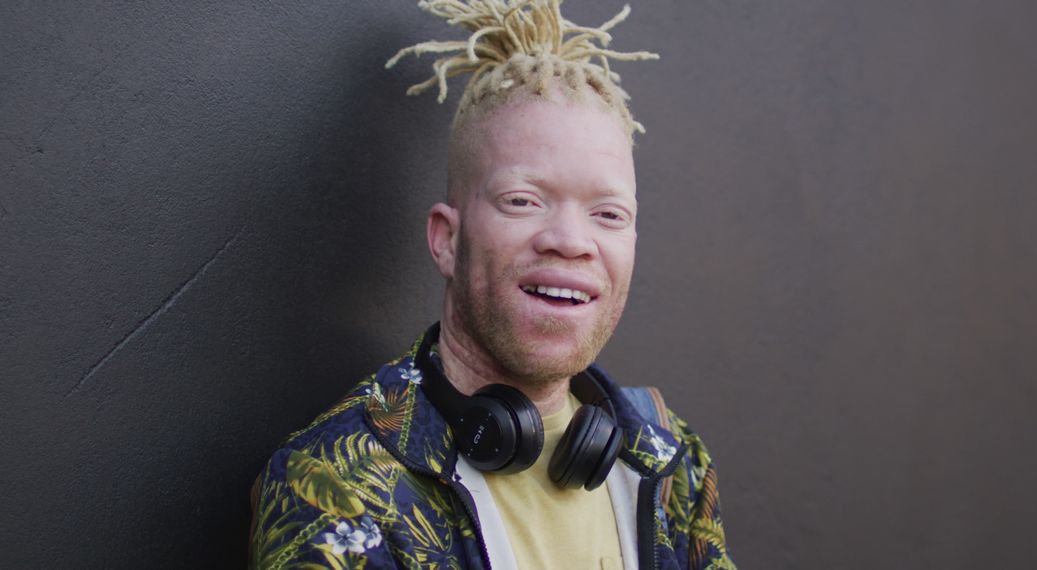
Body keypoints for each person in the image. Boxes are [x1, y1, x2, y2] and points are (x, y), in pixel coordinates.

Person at [249, 2, 737, 568]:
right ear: (446, 240)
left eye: (608, 214)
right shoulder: (336, 482)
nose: (571, 240)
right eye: (523, 201)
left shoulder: (672, 456)